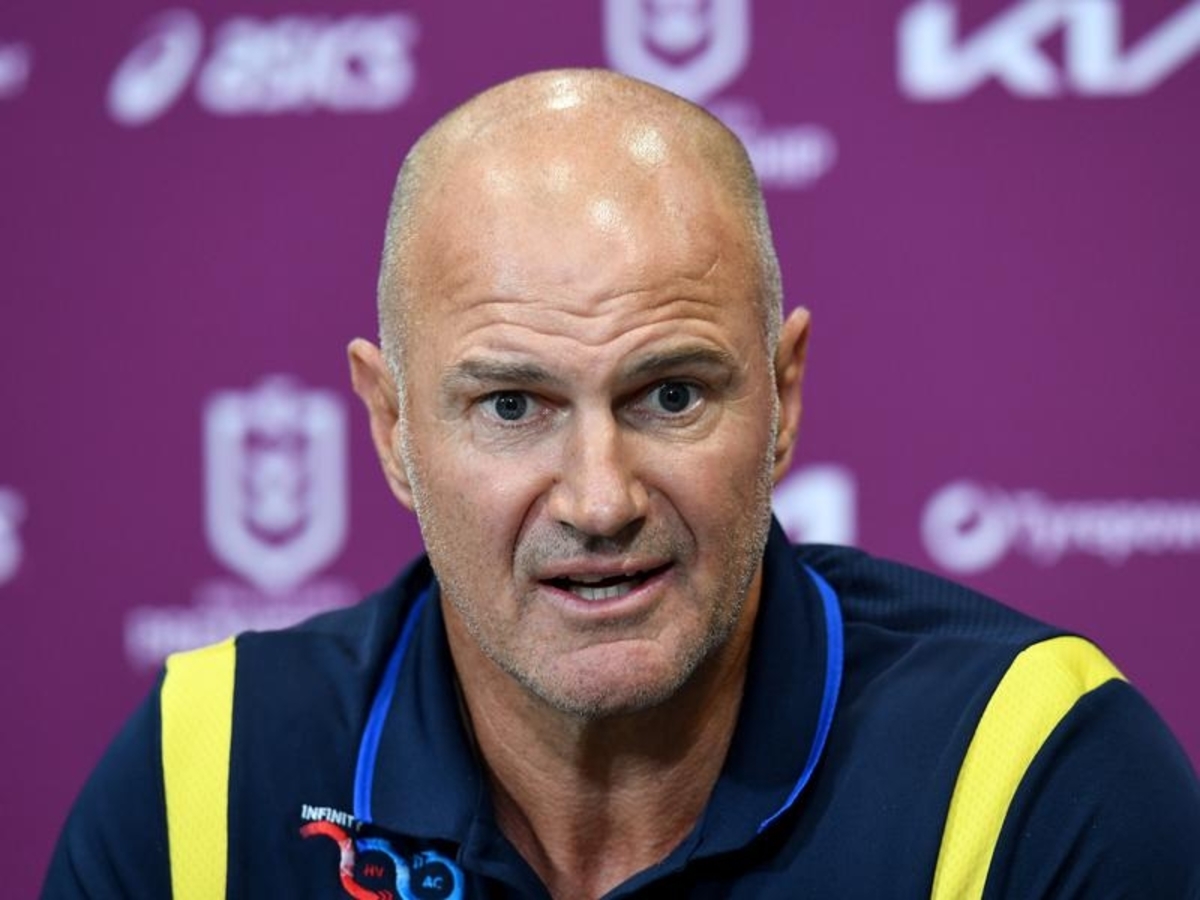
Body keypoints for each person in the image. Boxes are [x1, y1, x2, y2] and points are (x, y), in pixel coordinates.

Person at [43, 68, 1200, 900]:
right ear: (392, 429)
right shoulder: (209, 779)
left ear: (784, 397)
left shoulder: (1034, 772)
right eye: (513, 406)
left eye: (671, 395)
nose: (599, 502)